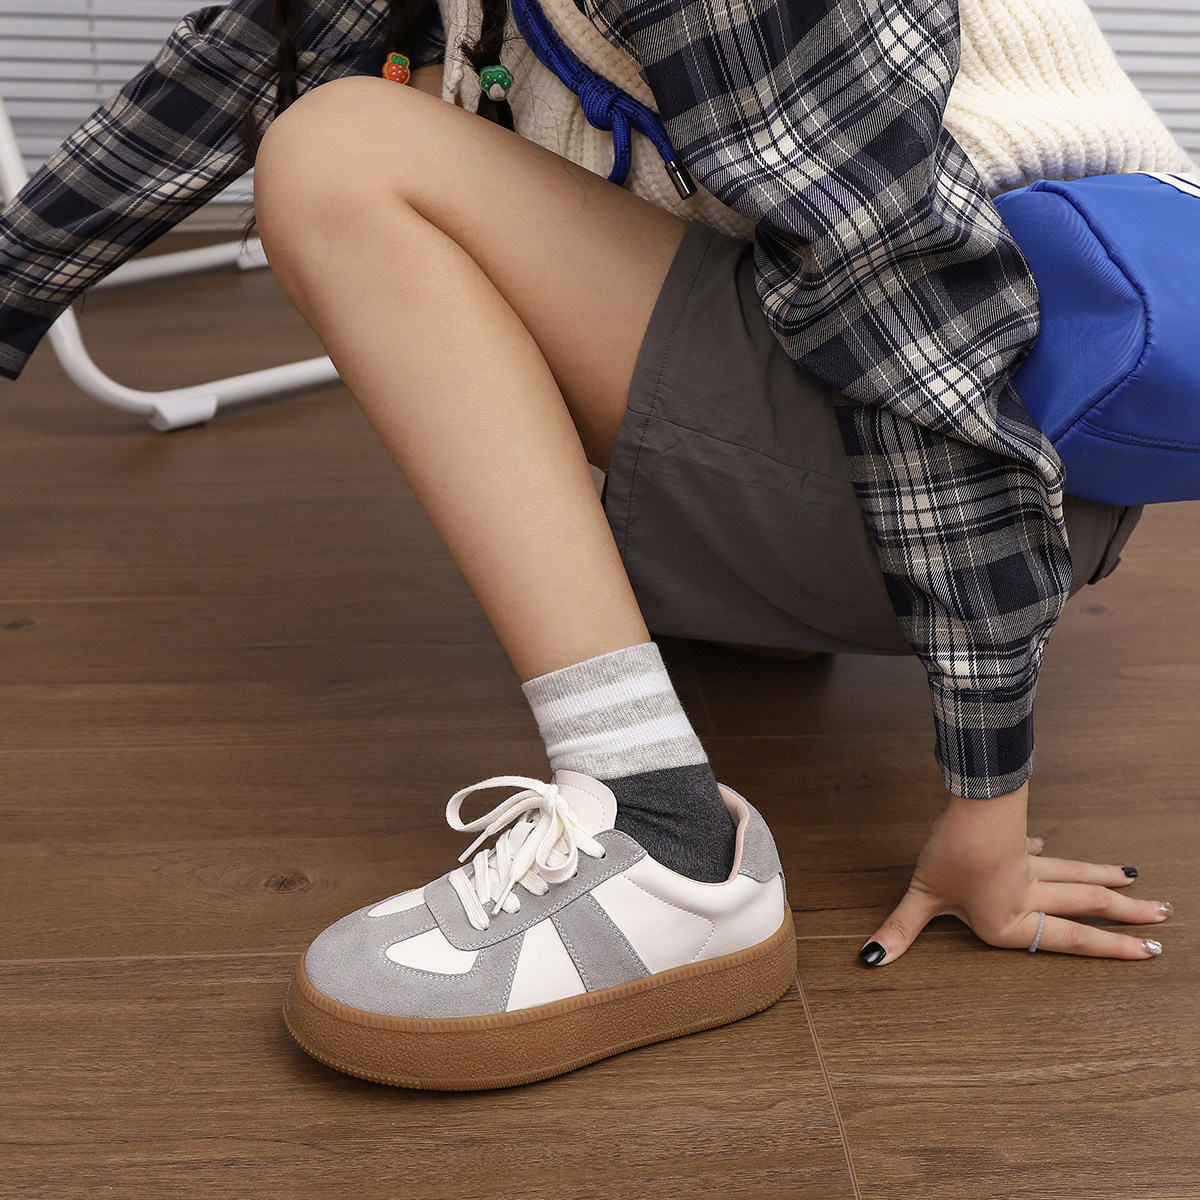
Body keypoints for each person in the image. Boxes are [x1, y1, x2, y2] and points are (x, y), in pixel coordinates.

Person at [0, 0, 1179, 1090]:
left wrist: (987, 800)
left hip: (995, 456)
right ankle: (741, 619)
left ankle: (669, 844)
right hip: (917, 425)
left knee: (340, 152)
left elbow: (915, 313)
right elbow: (229, 71)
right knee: (368, 127)